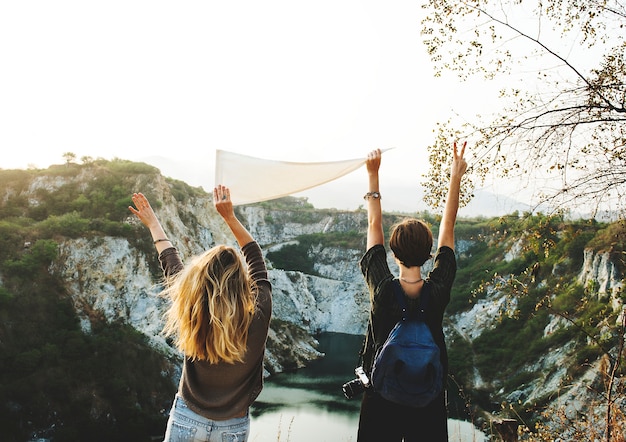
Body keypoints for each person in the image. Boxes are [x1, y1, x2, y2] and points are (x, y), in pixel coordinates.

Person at [129, 185, 272, 442]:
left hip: (187, 417)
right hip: (233, 424)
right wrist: (229, 216)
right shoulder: (258, 314)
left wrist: (154, 224)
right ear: (241, 283)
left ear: (200, 281)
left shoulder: (191, 307)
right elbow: (256, 259)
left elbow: (171, 263)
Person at [356, 142, 468, 441]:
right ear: (430, 253)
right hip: (428, 400)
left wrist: (373, 175)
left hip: (380, 398)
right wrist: (455, 178)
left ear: (393, 253)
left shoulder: (382, 291)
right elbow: (449, 227)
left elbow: (373, 223)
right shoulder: (438, 290)